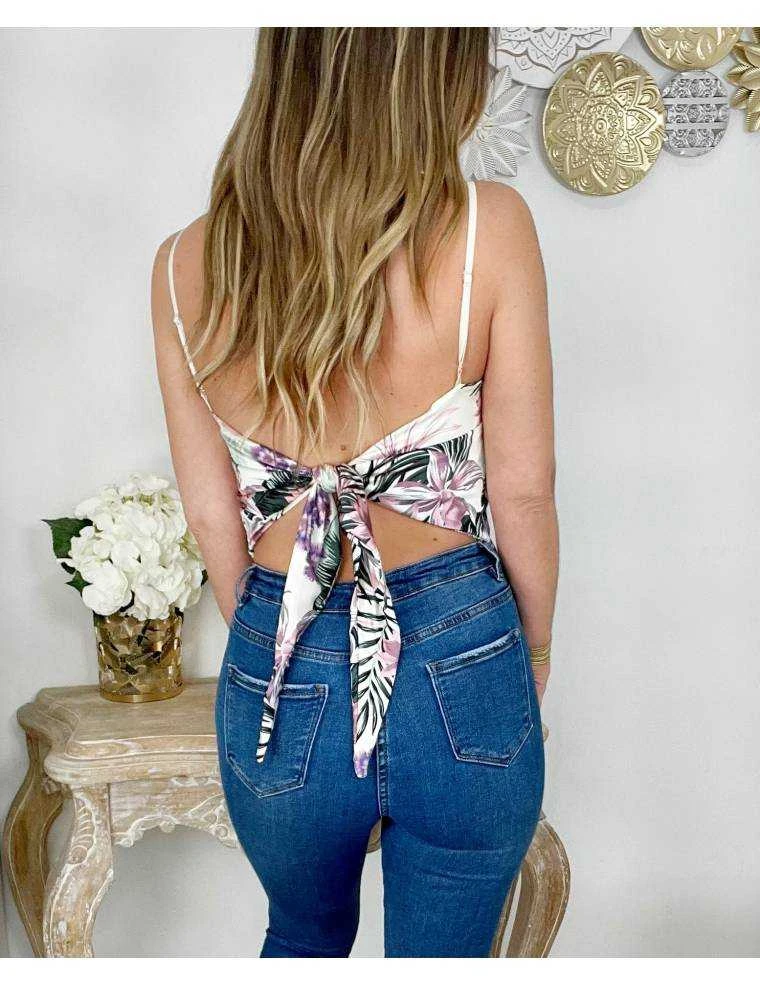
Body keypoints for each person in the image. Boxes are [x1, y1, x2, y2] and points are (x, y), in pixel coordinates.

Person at [152, 27, 558, 959]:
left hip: (278, 643)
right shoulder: (488, 227)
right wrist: (529, 654)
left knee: (300, 939)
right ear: (431, 71)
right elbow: (526, 493)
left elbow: (212, 515)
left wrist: (284, 647)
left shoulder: (181, 266)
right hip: (459, 645)